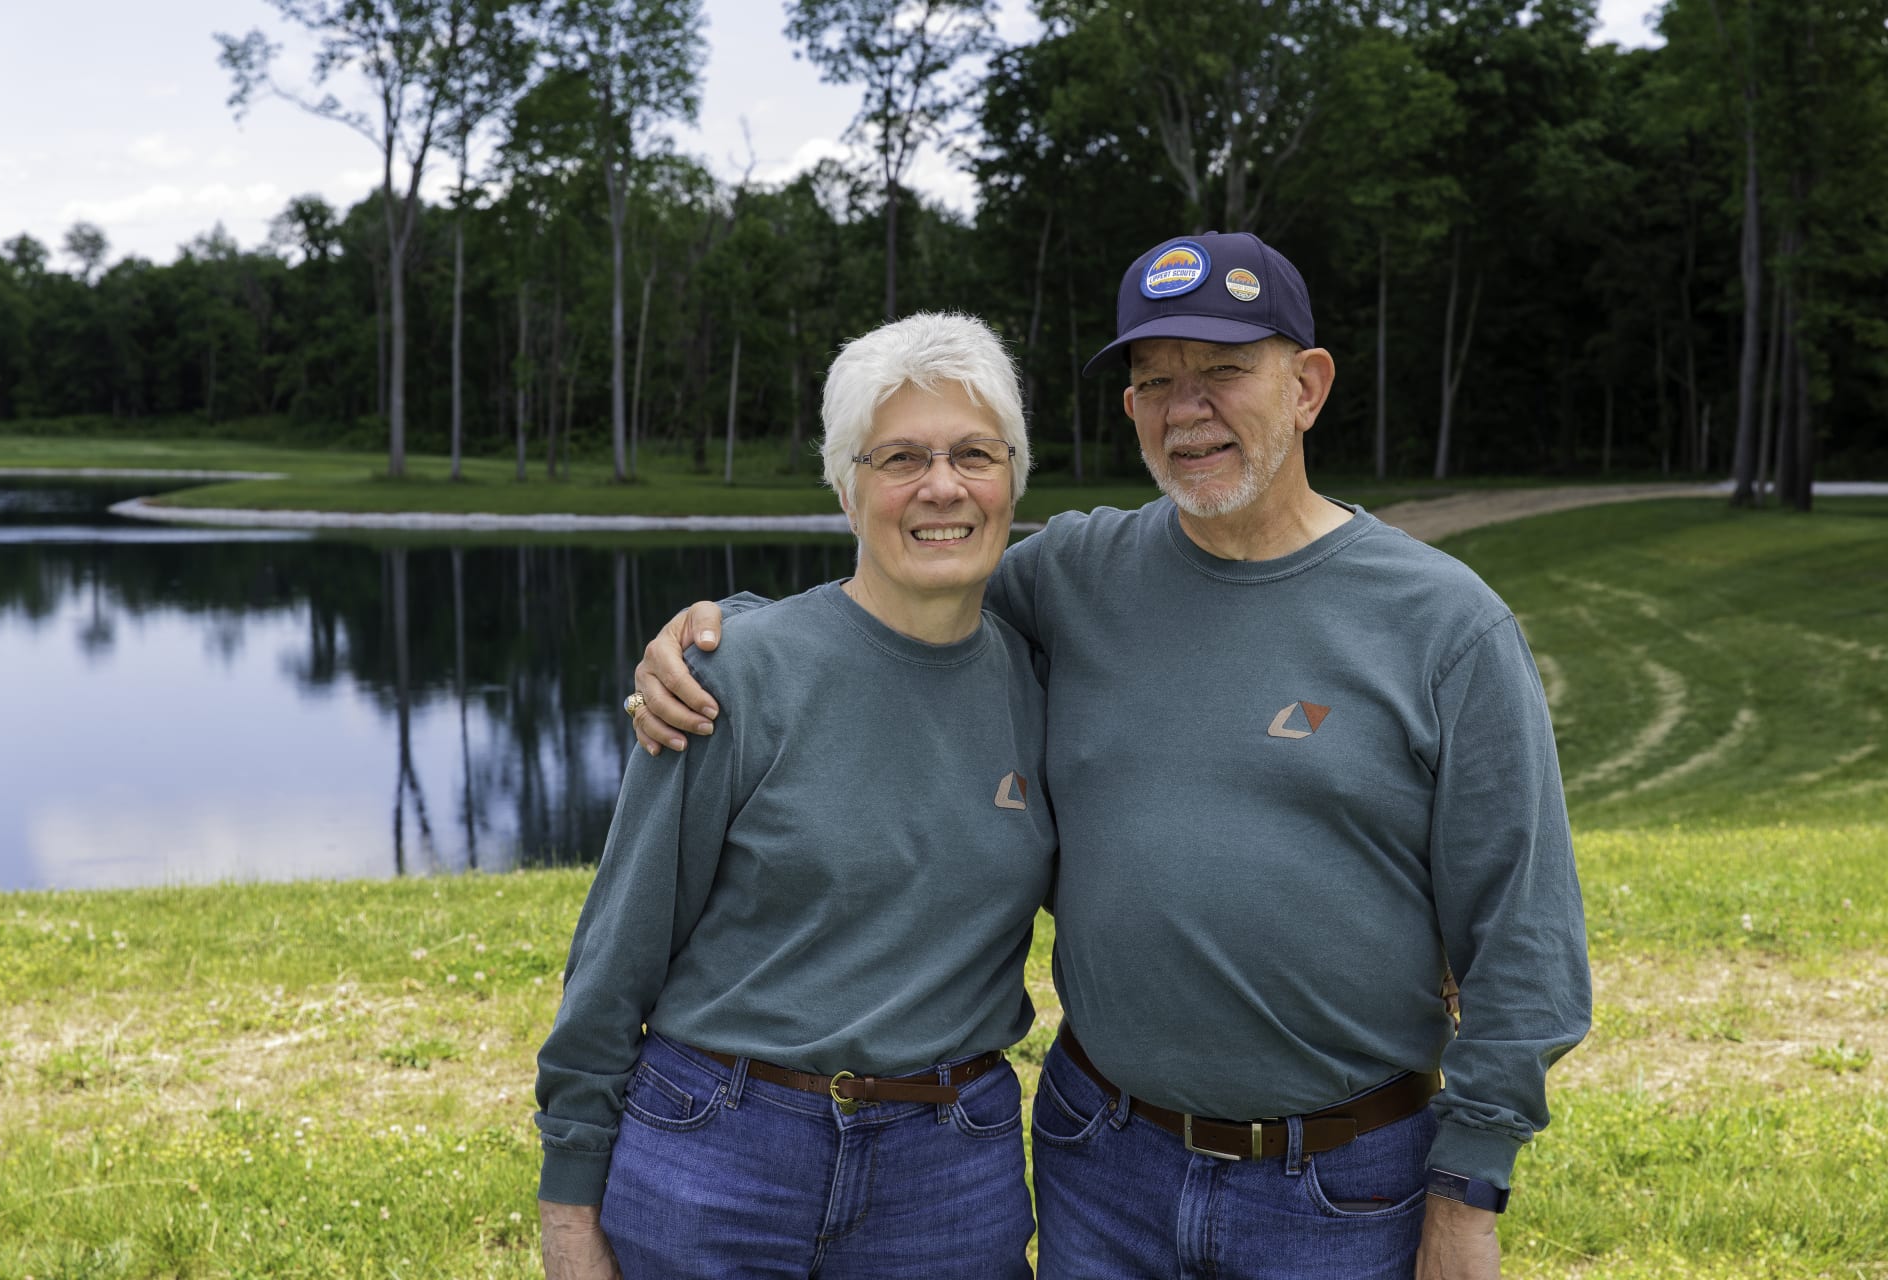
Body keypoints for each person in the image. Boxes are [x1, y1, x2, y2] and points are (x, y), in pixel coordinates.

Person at [630, 231, 1591, 1280]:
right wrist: (731, 630)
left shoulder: (1444, 624)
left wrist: (1469, 1194)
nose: (1188, 408)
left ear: (1308, 386)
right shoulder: (1078, 571)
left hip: (1344, 1184)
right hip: (1104, 1161)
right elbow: (898, 595)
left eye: (1225, 371)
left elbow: (1527, 945)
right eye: (1155, 381)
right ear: (1131, 408)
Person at [535, 311, 1056, 1280]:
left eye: (974, 453)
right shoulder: (732, 675)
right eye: (900, 456)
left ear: (1012, 478)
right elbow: (618, 951)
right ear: (847, 487)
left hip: (949, 1166)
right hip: (716, 1147)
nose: (941, 485)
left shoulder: (1047, 684)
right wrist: (569, 1200)